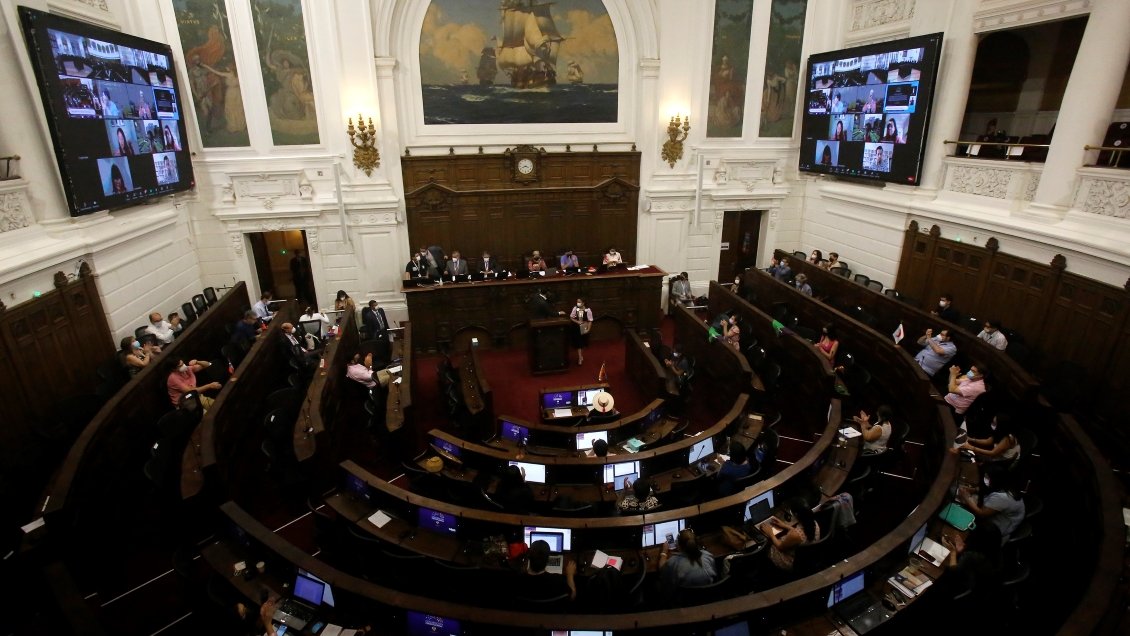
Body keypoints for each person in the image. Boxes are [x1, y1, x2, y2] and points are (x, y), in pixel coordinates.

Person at [957, 464, 1025, 544]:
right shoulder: (1006, 484)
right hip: (1001, 521)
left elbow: (981, 513)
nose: (985, 479)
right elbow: (989, 489)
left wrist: (967, 497)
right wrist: (973, 490)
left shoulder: (1002, 498)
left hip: (996, 533)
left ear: (996, 479)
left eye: (988, 477)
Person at [759, 498, 820, 573]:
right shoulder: (814, 523)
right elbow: (801, 531)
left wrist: (770, 533)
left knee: (766, 545)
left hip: (790, 561)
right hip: (807, 558)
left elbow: (780, 546)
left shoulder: (795, 535)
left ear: (796, 514)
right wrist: (784, 525)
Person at [658, 529, 716, 597]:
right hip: (707, 597)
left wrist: (664, 552)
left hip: (683, 600)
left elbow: (662, 569)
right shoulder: (708, 556)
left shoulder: (673, 562)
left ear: (678, 545)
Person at [569, 298, 593, 365]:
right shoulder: (575, 308)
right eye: (577, 302)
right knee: (579, 343)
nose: (578, 303)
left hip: (584, 326)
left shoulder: (588, 310)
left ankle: (581, 355)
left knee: (583, 343)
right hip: (576, 328)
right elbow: (571, 317)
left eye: (579, 302)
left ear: (583, 303)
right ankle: (580, 358)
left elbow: (590, 320)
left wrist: (588, 329)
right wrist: (577, 322)